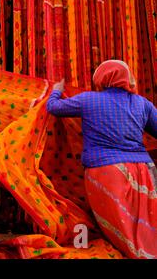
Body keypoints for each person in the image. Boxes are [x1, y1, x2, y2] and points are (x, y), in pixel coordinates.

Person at [46, 59, 157, 259]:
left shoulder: (88, 100)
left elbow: (53, 107)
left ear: (103, 79)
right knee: (143, 227)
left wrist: (56, 89)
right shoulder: (142, 103)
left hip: (107, 172)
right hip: (143, 172)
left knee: (122, 232)